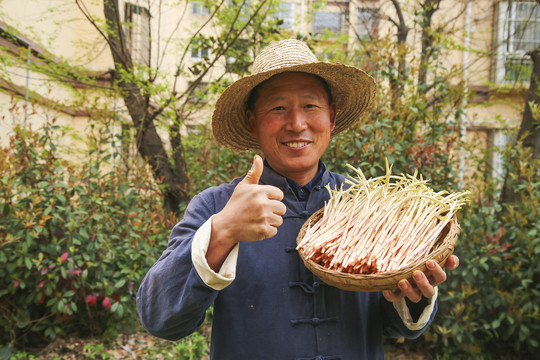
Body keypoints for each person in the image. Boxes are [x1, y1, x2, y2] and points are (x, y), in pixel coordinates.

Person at [137, 39, 459, 360]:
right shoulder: (218, 207)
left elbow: (396, 326)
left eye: (310, 106)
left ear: (331, 117)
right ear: (252, 122)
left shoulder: (368, 206)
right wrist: (222, 232)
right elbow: (159, 318)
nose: (296, 123)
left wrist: (414, 294)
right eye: (278, 108)